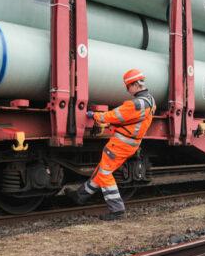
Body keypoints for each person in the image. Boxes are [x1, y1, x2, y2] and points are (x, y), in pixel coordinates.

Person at [65, 69, 156, 220]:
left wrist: (94, 115)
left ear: (134, 84)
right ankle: (80, 196)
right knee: (101, 170)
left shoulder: (135, 104)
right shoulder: (150, 100)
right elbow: (132, 120)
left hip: (120, 144)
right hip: (130, 143)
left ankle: (117, 209)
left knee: (105, 173)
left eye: (127, 87)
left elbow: (114, 116)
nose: (128, 90)